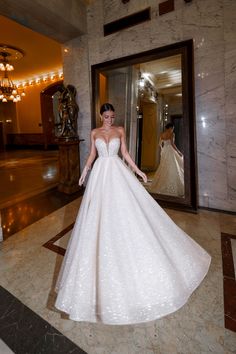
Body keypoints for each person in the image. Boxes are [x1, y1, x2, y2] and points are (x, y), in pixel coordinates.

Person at [55, 103, 211, 325]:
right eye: (106, 116)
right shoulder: (94, 133)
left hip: (117, 173)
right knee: (98, 216)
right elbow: (91, 155)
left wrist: (138, 171)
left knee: (127, 210)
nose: (109, 119)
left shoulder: (119, 130)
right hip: (100, 175)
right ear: (101, 116)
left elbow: (125, 153)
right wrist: (84, 171)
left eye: (112, 116)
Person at [149, 123, 184, 197]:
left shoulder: (162, 134)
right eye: (172, 128)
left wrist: (162, 149)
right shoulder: (172, 134)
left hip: (164, 151)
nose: (173, 129)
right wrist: (178, 151)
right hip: (170, 150)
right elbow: (172, 144)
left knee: (163, 166)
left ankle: (161, 184)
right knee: (173, 165)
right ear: (170, 128)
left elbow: (159, 144)